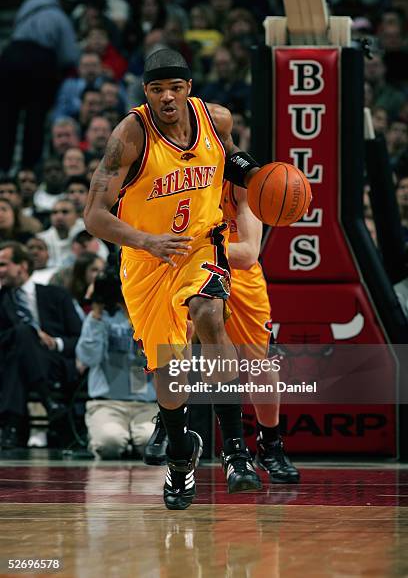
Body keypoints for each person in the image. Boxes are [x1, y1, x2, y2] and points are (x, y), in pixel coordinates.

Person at [84, 48, 265, 510]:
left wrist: (259, 175)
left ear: (189, 88)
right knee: (169, 368)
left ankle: (237, 452)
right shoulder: (129, 135)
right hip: (146, 259)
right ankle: (183, 457)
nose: (167, 98)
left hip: (199, 245)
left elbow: (232, 158)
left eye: (176, 88)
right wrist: (146, 241)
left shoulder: (216, 119)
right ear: (145, 92)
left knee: (208, 313)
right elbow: (94, 216)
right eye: (157, 89)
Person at [145, 181, 300, 483]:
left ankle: (270, 445)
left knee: (259, 364)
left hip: (238, 275)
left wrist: (205, 243)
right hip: (186, 269)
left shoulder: (241, 182)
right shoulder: (180, 175)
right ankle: (170, 424)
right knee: (177, 342)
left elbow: (249, 253)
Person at [0, 241, 82, 449]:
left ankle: (11, 427)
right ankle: (50, 403)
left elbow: (79, 338)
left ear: (22, 266)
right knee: (23, 334)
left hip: (53, 361)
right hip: (8, 363)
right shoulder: (2, 299)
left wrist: (55, 343)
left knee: (19, 354)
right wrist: (30, 334)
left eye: (3, 264)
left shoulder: (56, 294)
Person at [76, 266, 157, 459]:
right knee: (109, 443)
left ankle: (132, 439)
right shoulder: (99, 317)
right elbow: (88, 358)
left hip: (146, 403)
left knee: (150, 443)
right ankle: (107, 437)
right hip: (107, 403)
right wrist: (96, 310)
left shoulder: (149, 312)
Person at [0, 0, 80, 173]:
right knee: (34, 117)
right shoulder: (62, 19)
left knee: (6, 115)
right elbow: (69, 56)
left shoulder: (29, 4)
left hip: (11, 57)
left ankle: (3, 164)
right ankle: (28, 166)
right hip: (40, 64)